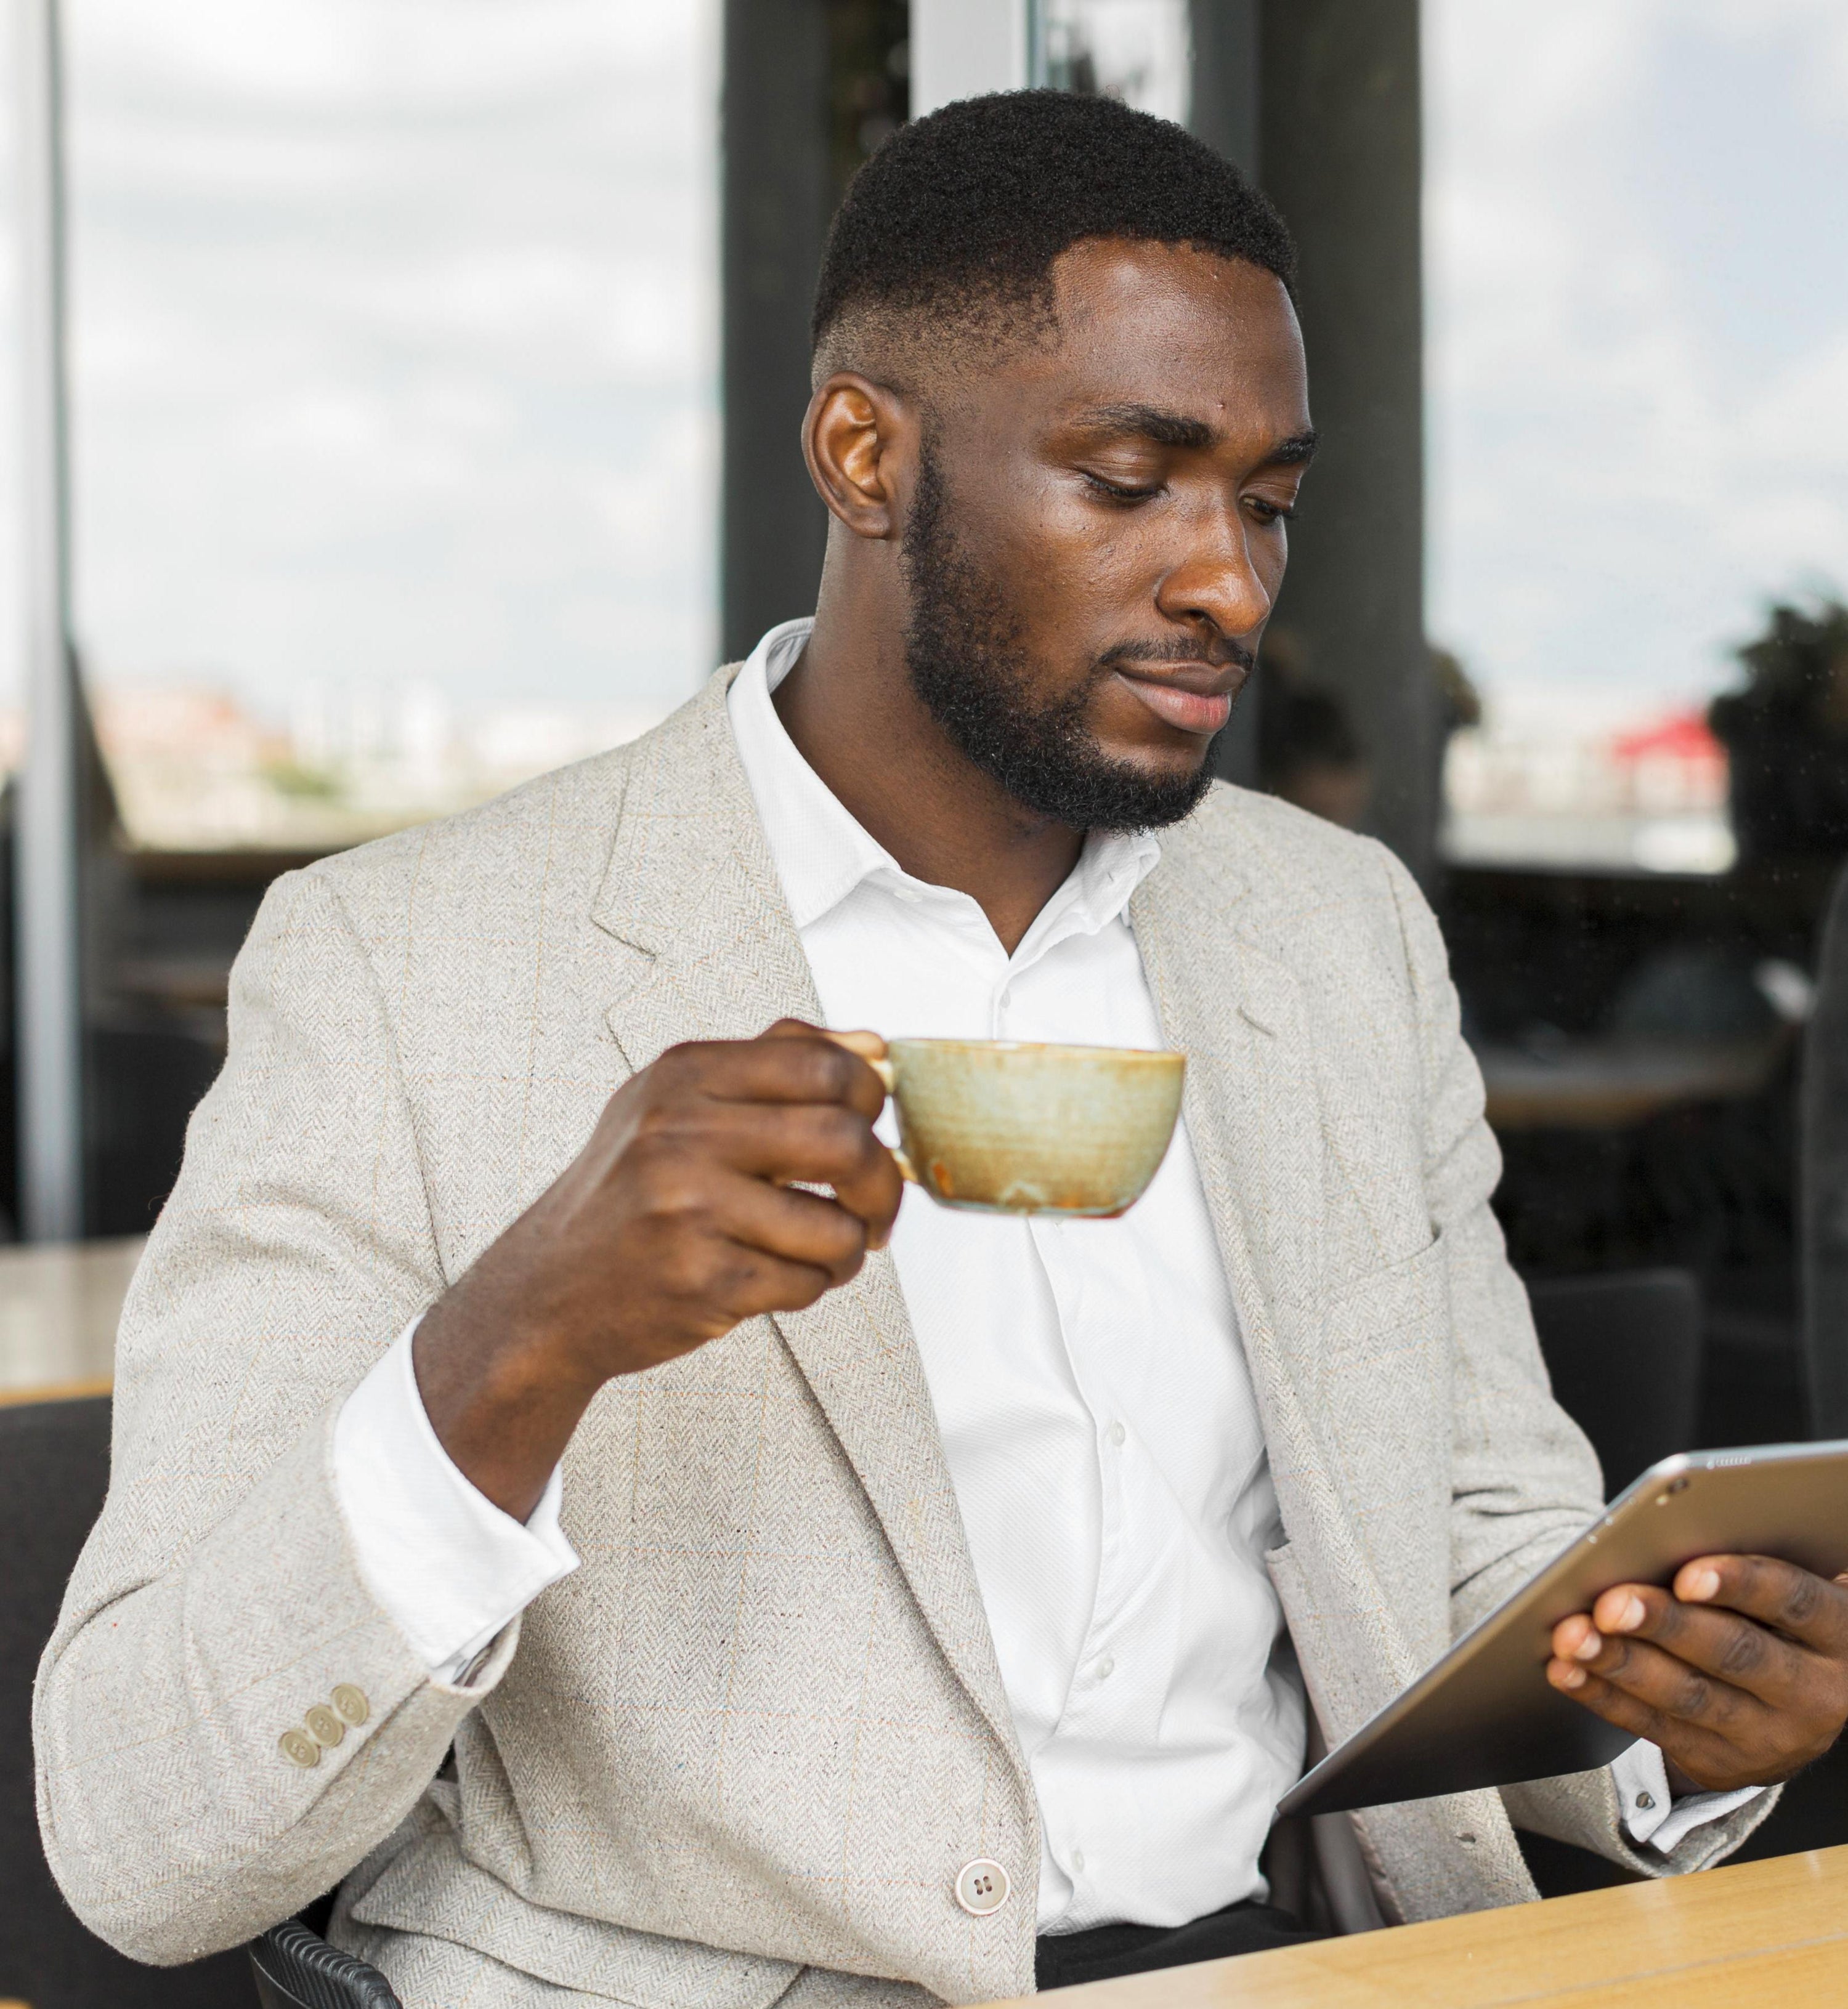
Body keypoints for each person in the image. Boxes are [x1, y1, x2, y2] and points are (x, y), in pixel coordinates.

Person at [35, 91, 1848, 2008]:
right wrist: (517, 1348)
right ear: (864, 454)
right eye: (1132, 478)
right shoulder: (404, 967)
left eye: (1268, 499)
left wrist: (1677, 1716)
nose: (1229, 579)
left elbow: (1479, 1549)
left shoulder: (1336, 936)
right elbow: (144, 1835)